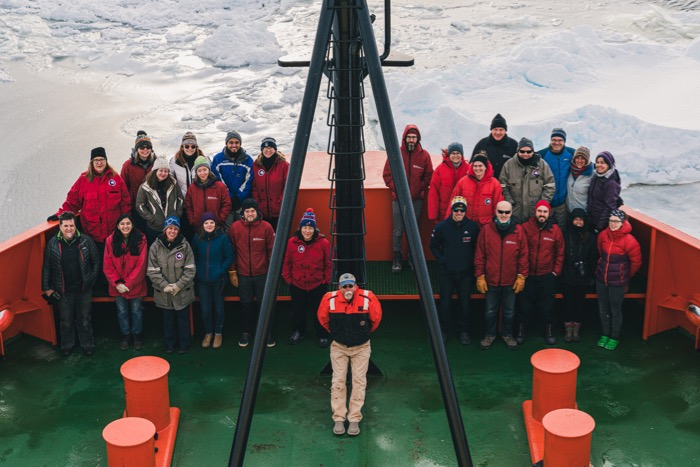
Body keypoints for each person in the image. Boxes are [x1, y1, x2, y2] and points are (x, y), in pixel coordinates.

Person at [317, 273, 382, 437]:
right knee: (338, 381)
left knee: (359, 381)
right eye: (344, 286)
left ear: (355, 286)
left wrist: (362, 335)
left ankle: (354, 419)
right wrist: (339, 334)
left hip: (361, 348)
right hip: (339, 347)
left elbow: (375, 319)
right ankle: (338, 418)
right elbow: (323, 319)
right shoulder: (329, 300)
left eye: (350, 286)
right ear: (339, 287)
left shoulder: (368, 298)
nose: (348, 289)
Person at [48, 147, 131, 261]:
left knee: (113, 263)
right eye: (96, 160)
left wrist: (125, 227)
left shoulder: (116, 179)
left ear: (106, 161)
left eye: (102, 159)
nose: (99, 162)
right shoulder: (83, 179)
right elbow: (72, 201)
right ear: (92, 162)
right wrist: (60, 214)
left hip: (113, 234)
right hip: (91, 235)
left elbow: (125, 204)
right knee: (95, 264)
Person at [41, 212, 100, 356]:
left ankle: (87, 344)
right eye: (66, 226)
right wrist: (46, 288)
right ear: (60, 227)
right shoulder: (52, 244)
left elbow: (96, 262)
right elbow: (47, 266)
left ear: (75, 226)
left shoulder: (86, 241)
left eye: (71, 225)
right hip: (63, 290)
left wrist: (91, 279)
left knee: (84, 318)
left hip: (83, 289)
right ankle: (67, 345)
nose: (69, 229)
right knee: (66, 320)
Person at [474, 201, 528, 350]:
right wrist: (480, 275)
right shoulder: (486, 230)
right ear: (496, 212)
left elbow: (523, 255)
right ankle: (489, 335)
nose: (503, 215)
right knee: (490, 311)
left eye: (507, 212)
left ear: (511, 213)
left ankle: (507, 335)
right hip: (491, 280)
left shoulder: (518, 230)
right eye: (501, 212)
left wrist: (521, 276)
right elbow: (480, 254)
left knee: (510, 312)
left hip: (510, 281)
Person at [382, 124, 434, 273]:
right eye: (409, 137)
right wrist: (398, 190)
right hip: (398, 199)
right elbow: (387, 175)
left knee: (414, 230)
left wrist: (418, 189)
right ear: (404, 139)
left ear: (418, 139)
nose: (411, 140)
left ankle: (413, 257)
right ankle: (397, 258)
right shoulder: (395, 154)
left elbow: (429, 175)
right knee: (398, 230)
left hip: (416, 200)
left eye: (414, 137)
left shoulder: (424, 156)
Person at [429, 196, 479, 344]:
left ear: (465, 211)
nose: (459, 212)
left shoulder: (472, 228)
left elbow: (478, 248)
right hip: (447, 273)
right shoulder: (441, 227)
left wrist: (472, 265)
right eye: (456, 210)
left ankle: (463, 332)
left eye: (462, 210)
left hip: (466, 273)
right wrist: (442, 259)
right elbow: (433, 246)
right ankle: (444, 331)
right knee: (445, 303)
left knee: (465, 303)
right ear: (451, 210)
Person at [227, 198, 276, 348]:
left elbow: (272, 251)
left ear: (257, 212)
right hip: (243, 274)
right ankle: (246, 332)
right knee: (245, 305)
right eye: (247, 211)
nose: (249, 213)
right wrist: (232, 271)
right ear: (243, 212)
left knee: (264, 304)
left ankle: (266, 332)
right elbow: (231, 251)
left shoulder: (266, 227)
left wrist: (271, 272)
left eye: (252, 211)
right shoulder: (235, 228)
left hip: (261, 273)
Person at [515, 200, 564, 345]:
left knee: (547, 306)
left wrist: (555, 272)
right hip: (528, 274)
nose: (542, 214)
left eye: (545, 212)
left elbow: (560, 252)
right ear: (535, 212)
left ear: (549, 214)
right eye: (540, 211)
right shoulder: (525, 228)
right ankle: (521, 331)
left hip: (547, 275)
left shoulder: (555, 230)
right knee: (524, 305)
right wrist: (521, 272)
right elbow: (519, 250)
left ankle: (548, 332)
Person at [147, 215, 196, 354]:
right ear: (165, 229)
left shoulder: (185, 246)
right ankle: (169, 344)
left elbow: (190, 269)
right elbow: (152, 270)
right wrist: (165, 286)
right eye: (170, 228)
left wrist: (178, 285)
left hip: (182, 291)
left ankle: (184, 344)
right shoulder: (155, 247)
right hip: (164, 292)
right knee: (168, 319)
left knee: (183, 319)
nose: (172, 231)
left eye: (175, 228)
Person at [283, 208, 332, 347]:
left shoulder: (324, 244)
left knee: (320, 311)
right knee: (298, 310)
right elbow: (287, 263)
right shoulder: (292, 243)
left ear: (315, 229)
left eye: (310, 228)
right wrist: (289, 280)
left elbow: (328, 263)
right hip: (297, 284)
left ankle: (322, 335)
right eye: (305, 227)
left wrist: (325, 281)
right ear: (300, 228)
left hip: (317, 284)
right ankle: (299, 331)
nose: (307, 231)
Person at [595, 209, 642, 350]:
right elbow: (600, 251)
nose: (613, 224)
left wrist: (625, 276)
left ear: (622, 223)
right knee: (603, 308)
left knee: (615, 309)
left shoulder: (630, 241)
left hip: (618, 282)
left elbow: (636, 262)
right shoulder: (603, 235)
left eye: (616, 221)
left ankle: (614, 336)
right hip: (602, 278)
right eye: (611, 221)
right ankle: (605, 334)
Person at [103, 213, 148, 350]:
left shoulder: (141, 240)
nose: (125, 226)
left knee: (136, 311)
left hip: (135, 285)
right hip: (117, 286)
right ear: (118, 226)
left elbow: (141, 265)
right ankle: (125, 335)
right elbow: (108, 264)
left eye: (128, 223)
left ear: (132, 225)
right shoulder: (110, 241)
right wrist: (117, 283)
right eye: (122, 224)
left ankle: (137, 335)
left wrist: (127, 284)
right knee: (121, 311)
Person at [192, 212, 234, 349]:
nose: (209, 225)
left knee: (219, 308)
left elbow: (229, 257)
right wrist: (197, 271)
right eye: (206, 223)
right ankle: (208, 333)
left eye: (211, 222)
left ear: (215, 224)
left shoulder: (223, 238)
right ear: (202, 225)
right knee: (205, 309)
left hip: (219, 280)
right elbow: (193, 256)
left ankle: (218, 333)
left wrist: (220, 271)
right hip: (202, 280)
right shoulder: (197, 239)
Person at [560, 208, 597, 343]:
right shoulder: (565, 234)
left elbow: (593, 257)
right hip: (567, 275)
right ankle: (568, 329)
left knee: (579, 304)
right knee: (567, 303)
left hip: (583, 276)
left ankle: (576, 328)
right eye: (576, 219)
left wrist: (592, 276)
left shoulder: (590, 237)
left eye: (581, 219)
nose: (578, 222)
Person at [499, 137, 555, 223]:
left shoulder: (542, 165)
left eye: (529, 151)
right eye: (522, 151)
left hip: (535, 214)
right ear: (518, 151)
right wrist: (510, 203)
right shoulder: (508, 165)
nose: (525, 154)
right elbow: (503, 187)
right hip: (515, 213)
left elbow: (550, 186)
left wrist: (541, 206)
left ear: (533, 151)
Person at [135, 156, 185, 244]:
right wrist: (151, 218)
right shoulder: (145, 187)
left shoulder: (173, 183)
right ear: (155, 171)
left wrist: (177, 214)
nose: (163, 173)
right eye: (160, 170)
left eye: (166, 171)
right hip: (155, 227)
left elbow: (180, 199)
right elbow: (140, 205)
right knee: (156, 250)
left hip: (172, 225)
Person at [450, 151, 503, 227]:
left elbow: (498, 206)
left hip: (485, 225)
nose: (477, 168)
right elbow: (453, 202)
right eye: (475, 166)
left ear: (486, 167)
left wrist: (497, 225)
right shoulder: (463, 182)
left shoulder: (494, 184)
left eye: (480, 166)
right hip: (466, 223)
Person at [170, 131, 206, 239]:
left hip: (199, 202)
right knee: (185, 231)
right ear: (182, 146)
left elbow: (210, 177)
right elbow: (171, 179)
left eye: (193, 146)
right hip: (183, 203)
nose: (190, 148)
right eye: (187, 146)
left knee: (200, 231)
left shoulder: (204, 160)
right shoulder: (174, 161)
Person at [211, 130, 254, 218]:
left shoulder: (247, 160)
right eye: (231, 142)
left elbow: (248, 181)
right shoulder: (218, 159)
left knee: (241, 228)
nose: (234, 145)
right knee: (227, 228)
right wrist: (229, 197)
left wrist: (238, 198)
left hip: (241, 202)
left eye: (237, 142)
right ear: (226, 143)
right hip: (224, 202)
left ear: (240, 144)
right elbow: (217, 179)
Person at [537, 128, 574, 229]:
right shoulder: (542, 154)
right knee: (544, 229)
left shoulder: (571, 153)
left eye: (560, 140)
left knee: (561, 230)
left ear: (564, 141)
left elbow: (585, 162)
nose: (557, 143)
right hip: (546, 202)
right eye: (554, 140)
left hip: (562, 204)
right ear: (550, 140)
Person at [251, 137, 289, 232]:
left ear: (275, 149)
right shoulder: (256, 165)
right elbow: (254, 186)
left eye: (271, 148)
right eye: (265, 148)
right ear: (262, 150)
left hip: (279, 210)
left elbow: (287, 186)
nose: (268, 150)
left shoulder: (283, 165)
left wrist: (281, 201)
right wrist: (258, 202)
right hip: (262, 211)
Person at [185, 156, 232, 232]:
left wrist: (220, 219)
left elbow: (226, 204)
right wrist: (193, 220)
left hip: (216, 226)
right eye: (199, 171)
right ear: (196, 172)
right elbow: (188, 205)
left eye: (204, 169)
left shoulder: (219, 186)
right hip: (198, 226)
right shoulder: (192, 188)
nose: (202, 173)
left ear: (209, 170)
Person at [121, 131, 156, 234]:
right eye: (141, 147)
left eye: (148, 147)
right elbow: (122, 188)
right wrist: (127, 209)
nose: (145, 150)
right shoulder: (128, 165)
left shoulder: (156, 164)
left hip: (153, 207)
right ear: (136, 149)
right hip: (135, 207)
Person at [427, 142, 469, 224]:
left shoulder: (468, 169)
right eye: (453, 153)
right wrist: (433, 214)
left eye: (458, 153)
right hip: (443, 212)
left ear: (462, 155)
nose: (455, 156)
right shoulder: (440, 169)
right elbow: (433, 192)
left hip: (462, 212)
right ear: (448, 154)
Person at [471, 113, 518, 179]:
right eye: (495, 129)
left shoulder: (514, 145)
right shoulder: (482, 144)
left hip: (506, 185)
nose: (498, 133)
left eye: (501, 130)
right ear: (491, 130)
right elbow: (471, 165)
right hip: (485, 184)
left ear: (505, 130)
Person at [588, 151, 622, 233]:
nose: (599, 165)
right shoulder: (597, 176)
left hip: (601, 224)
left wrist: (599, 227)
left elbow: (610, 207)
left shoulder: (611, 183)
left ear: (609, 165)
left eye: (602, 163)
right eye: (597, 162)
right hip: (592, 219)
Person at [566, 146, 594, 213]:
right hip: (569, 212)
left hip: (583, 214)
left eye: (583, 158)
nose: (579, 160)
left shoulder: (592, 175)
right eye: (577, 158)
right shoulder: (569, 171)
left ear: (587, 160)